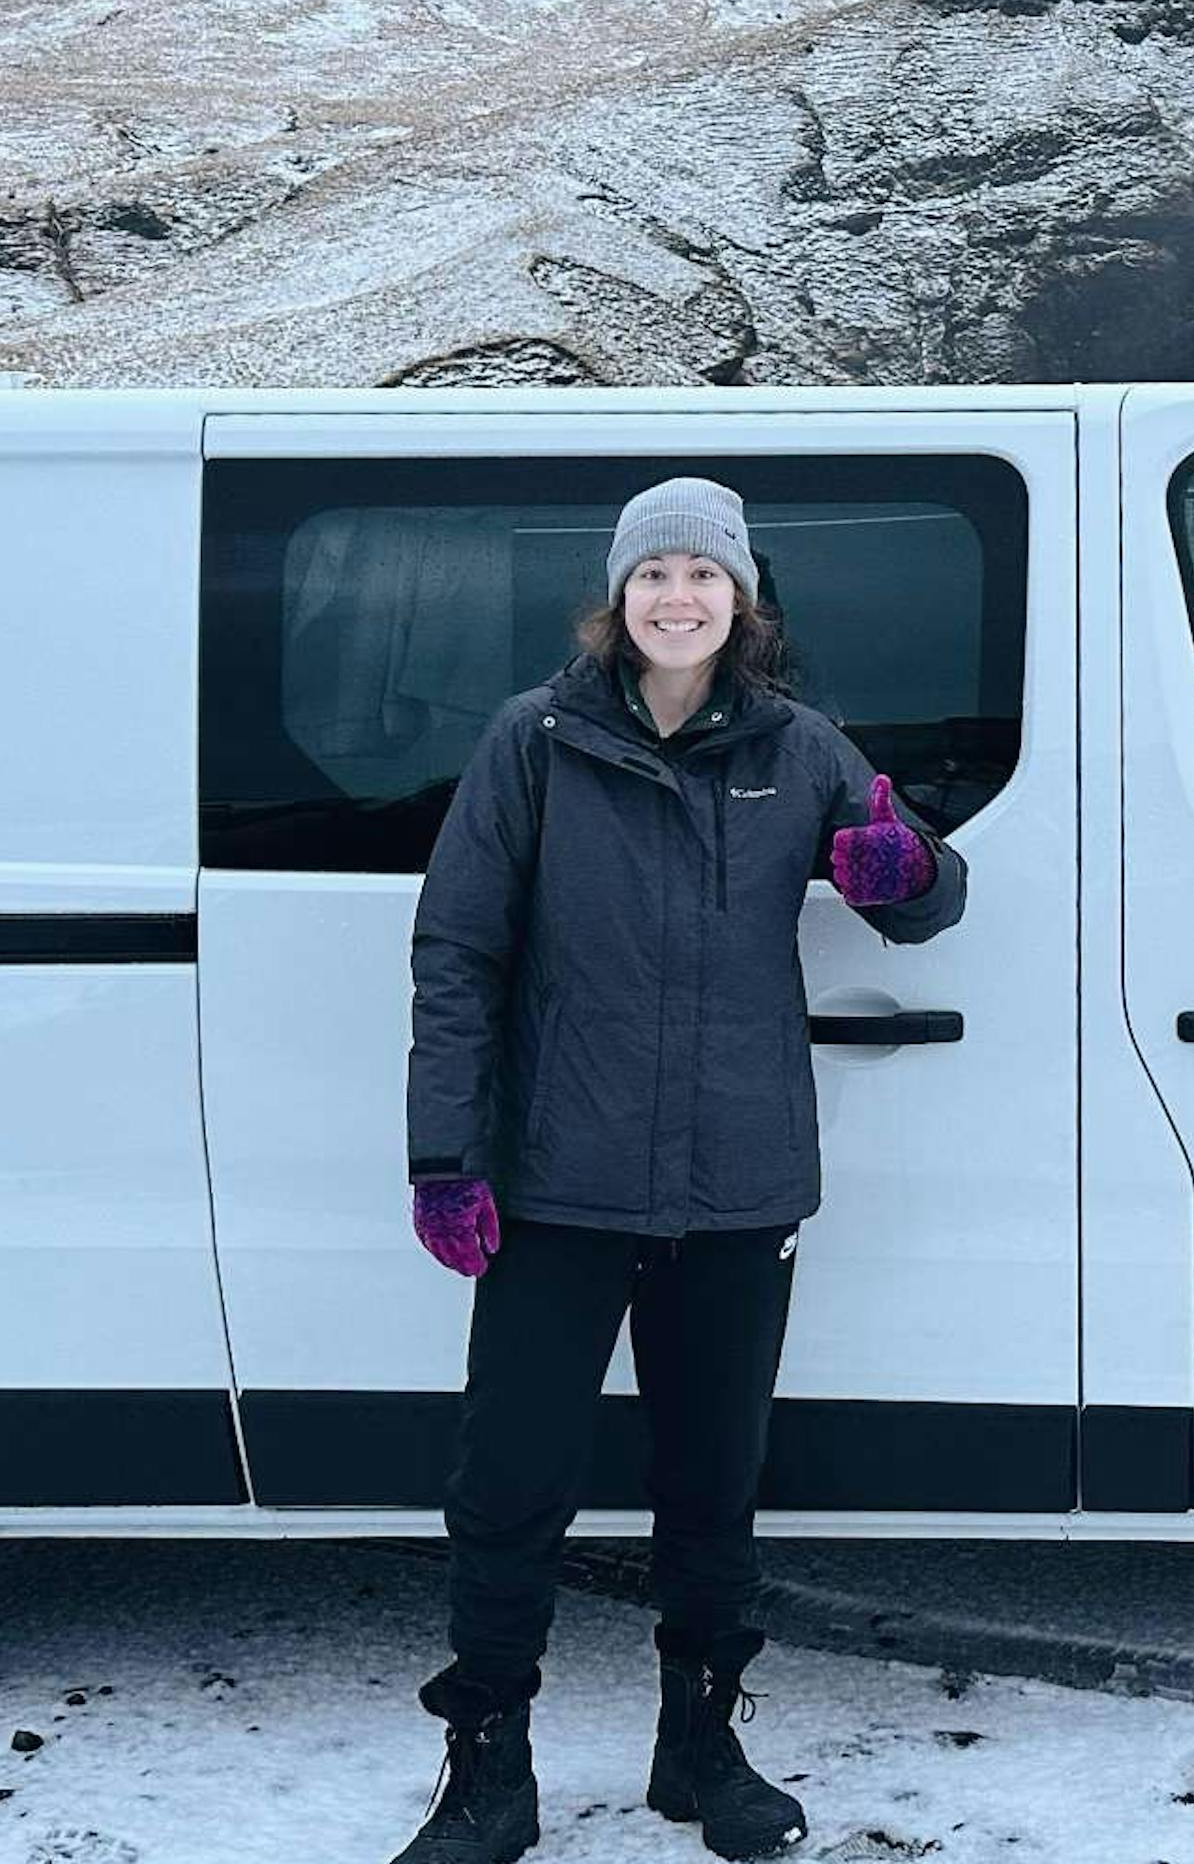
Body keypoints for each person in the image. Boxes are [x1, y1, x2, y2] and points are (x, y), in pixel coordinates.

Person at [385, 475, 969, 1863]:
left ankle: (701, 1749)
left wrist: (901, 871)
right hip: (556, 1184)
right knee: (511, 1480)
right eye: (654, 576)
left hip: (737, 1187)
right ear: (619, 597)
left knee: (712, 1484)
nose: (678, 598)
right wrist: (443, 1156)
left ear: (741, 599)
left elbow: (927, 897)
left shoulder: (798, 745)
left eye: (704, 578)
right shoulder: (534, 745)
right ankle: (487, 1769)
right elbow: (456, 956)